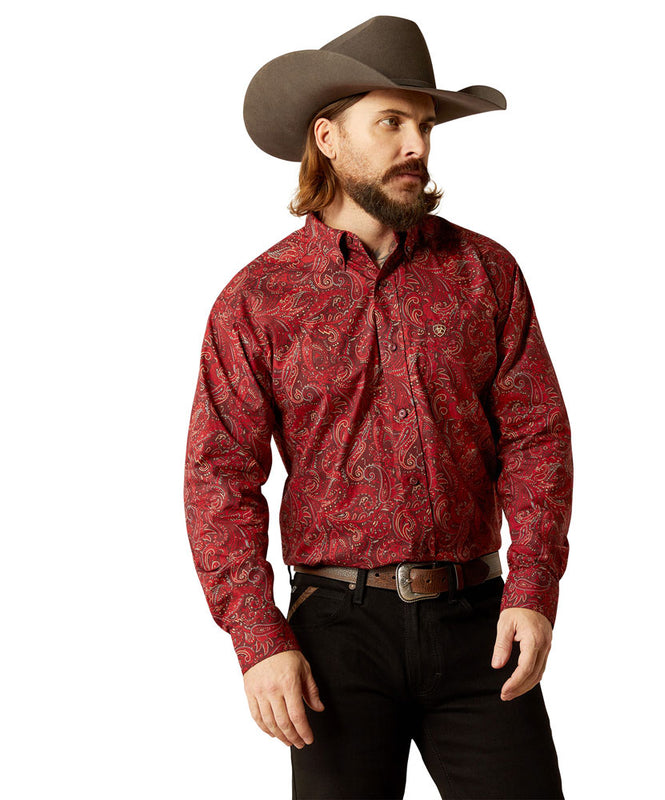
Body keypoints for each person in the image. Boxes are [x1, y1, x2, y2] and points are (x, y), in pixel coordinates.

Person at [184, 15, 573, 800]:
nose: (417, 145)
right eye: (391, 122)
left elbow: (536, 435)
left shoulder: (485, 272)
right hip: (334, 637)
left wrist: (533, 587)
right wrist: (258, 637)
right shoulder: (257, 301)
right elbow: (218, 475)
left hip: (480, 625)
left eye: (425, 125)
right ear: (327, 138)